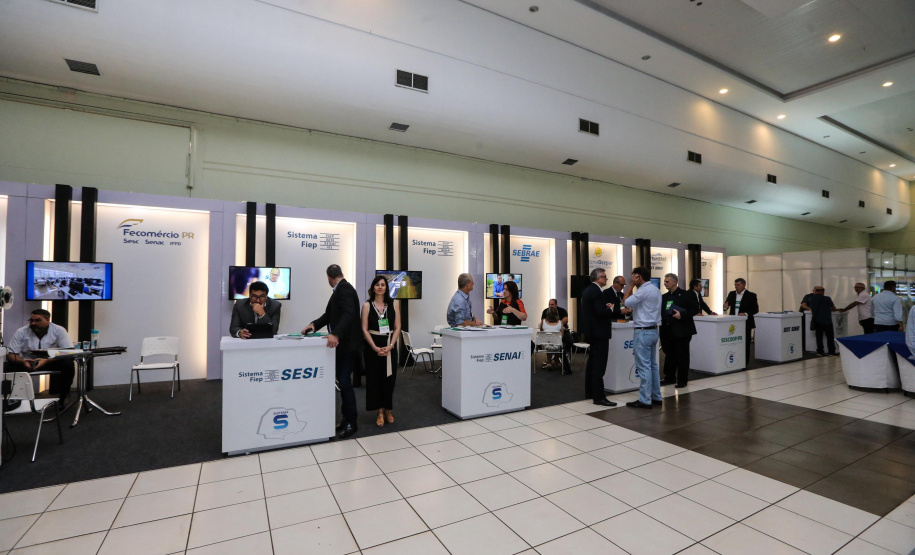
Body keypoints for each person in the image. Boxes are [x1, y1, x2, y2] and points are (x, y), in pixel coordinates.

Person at [302, 264, 362, 439]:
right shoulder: (340, 289)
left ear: (328, 277)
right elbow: (329, 315)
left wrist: (336, 333)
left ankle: (351, 422)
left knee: (344, 382)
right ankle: (346, 418)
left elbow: (349, 314)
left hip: (348, 346)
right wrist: (314, 325)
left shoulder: (344, 290)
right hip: (344, 346)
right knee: (342, 382)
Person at [6, 309, 75, 404]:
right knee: (6, 366)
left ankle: (63, 397)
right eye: (31, 320)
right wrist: (23, 361)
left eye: (37, 320)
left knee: (68, 364)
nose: (33, 323)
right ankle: (10, 399)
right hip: (28, 362)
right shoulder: (21, 331)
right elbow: (11, 355)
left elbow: (67, 351)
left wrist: (46, 360)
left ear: (47, 320)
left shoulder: (59, 330)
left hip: (51, 361)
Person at [361, 275, 401, 428]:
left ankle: (388, 409)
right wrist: (374, 347)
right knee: (375, 380)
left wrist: (391, 345)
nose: (380, 287)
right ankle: (379, 412)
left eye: (383, 285)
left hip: (389, 346)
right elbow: (364, 329)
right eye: (377, 284)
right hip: (373, 348)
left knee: (389, 381)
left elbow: (397, 327)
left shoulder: (394, 304)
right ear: (373, 287)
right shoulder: (367, 306)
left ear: (386, 288)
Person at [623, 267, 663, 408]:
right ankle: (656, 396)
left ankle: (645, 400)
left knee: (644, 367)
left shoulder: (643, 290)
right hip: (654, 330)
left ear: (638, 277)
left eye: (634, 276)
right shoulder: (656, 290)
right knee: (653, 365)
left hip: (643, 332)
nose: (632, 279)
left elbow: (625, 302)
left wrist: (630, 286)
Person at [579, 268, 617, 406]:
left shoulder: (588, 290)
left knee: (592, 363)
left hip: (592, 333)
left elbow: (595, 310)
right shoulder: (596, 291)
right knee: (599, 365)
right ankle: (599, 396)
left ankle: (591, 392)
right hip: (599, 333)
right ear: (598, 278)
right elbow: (601, 313)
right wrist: (610, 309)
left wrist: (604, 307)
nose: (606, 279)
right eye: (605, 277)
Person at [660, 273, 699, 388]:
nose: (665, 283)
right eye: (664, 281)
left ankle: (682, 380)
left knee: (682, 355)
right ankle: (669, 377)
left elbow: (695, 309)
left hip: (681, 330)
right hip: (667, 331)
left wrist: (682, 315)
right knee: (669, 355)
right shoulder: (664, 297)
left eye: (667, 281)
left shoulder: (686, 295)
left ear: (674, 282)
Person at [723, 278, 758, 363]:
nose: (736, 287)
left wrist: (745, 314)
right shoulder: (731, 294)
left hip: (745, 323)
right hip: (733, 322)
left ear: (744, 285)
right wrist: (725, 307)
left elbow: (755, 309)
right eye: (735, 285)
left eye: (738, 285)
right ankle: (733, 360)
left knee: (745, 342)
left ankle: (745, 362)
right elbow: (726, 306)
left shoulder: (751, 295)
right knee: (733, 342)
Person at [801, 286, 838, 356]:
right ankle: (831, 352)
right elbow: (833, 308)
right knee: (830, 337)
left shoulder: (811, 299)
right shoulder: (827, 298)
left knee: (819, 336)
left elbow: (809, 307)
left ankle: (820, 351)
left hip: (816, 320)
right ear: (823, 291)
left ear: (815, 291)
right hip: (827, 320)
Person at [539, 307, 572, 374]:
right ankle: (556, 361)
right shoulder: (560, 323)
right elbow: (561, 336)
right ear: (557, 314)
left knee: (548, 342)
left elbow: (541, 332)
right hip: (557, 346)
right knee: (558, 343)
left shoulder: (543, 322)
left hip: (546, 346)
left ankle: (549, 362)